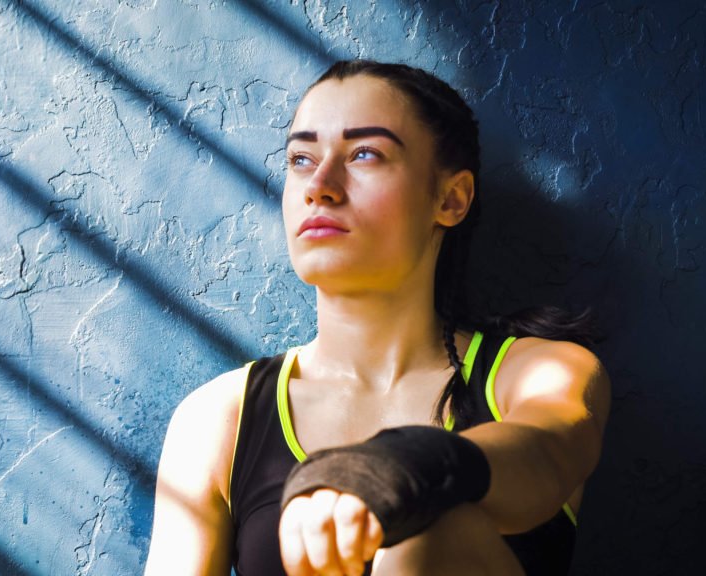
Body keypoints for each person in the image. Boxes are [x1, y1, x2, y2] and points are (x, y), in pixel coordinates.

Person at [143, 60, 610, 576]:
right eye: (301, 158)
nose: (319, 186)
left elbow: (547, 454)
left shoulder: (537, 372)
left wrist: (404, 466)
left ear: (451, 198)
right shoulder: (219, 419)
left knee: (427, 528)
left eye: (365, 154)